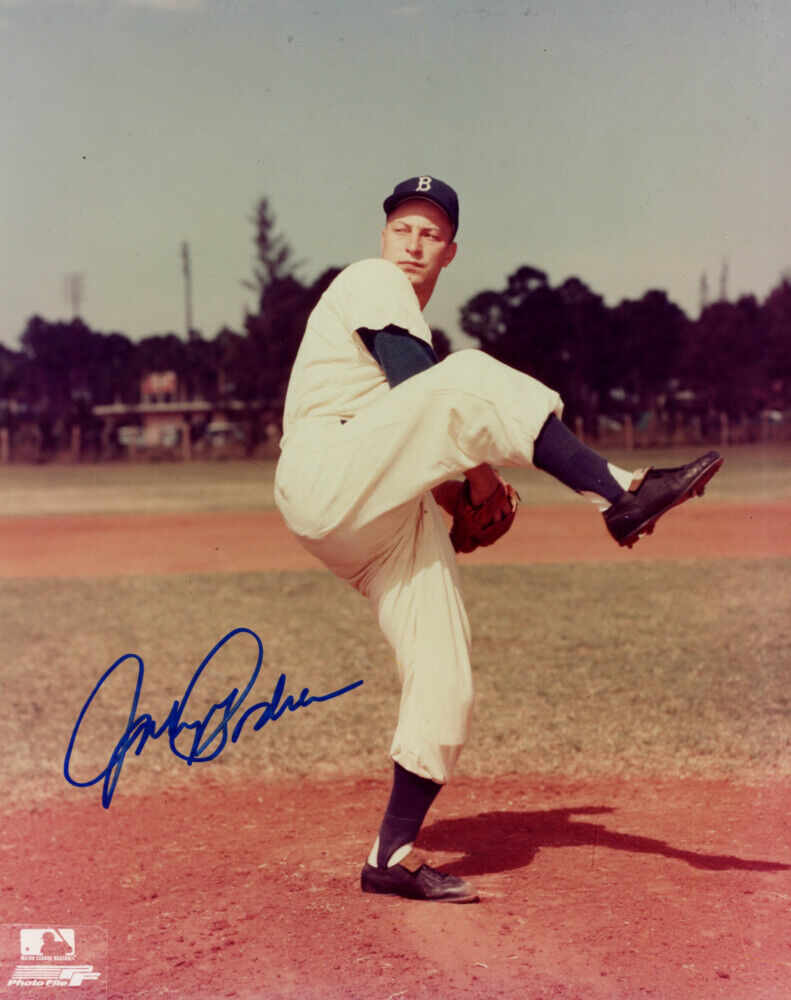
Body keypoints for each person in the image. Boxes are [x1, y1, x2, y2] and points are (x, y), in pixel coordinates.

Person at [274, 175, 722, 903]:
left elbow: (407, 431)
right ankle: (620, 493)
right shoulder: (370, 279)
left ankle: (391, 853)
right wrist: (477, 478)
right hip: (324, 472)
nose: (412, 244)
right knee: (468, 375)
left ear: (450, 251)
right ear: (382, 239)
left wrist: (457, 494)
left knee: (444, 672)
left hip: (379, 514)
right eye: (402, 229)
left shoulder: (404, 301)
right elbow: (418, 382)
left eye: (429, 234)